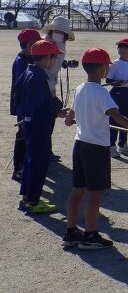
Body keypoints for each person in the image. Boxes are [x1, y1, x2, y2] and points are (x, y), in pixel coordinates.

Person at [62, 48, 128, 249]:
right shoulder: (101, 92)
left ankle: (70, 232)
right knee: (95, 193)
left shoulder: (79, 89)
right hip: (96, 149)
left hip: (80, 145)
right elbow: (117, 116)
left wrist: (73, 118)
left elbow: (69, 120)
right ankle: (91, 235)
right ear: (102, 68)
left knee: (78, 189)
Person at [14, 40, 68, 214]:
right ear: (46, 58)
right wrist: (54, 113)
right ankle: (34, 201)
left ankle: (27, 196)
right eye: (53, 57)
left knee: (31, 161)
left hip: (29, 124)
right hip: (38, 126)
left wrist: (54, 111)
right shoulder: (38, 77)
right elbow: (38, 106)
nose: (54, 60)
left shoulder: (28, 72)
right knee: (38, 163)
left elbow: (19, 97)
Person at [42, 15, 79, 162]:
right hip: (42, 88)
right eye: (59, 32)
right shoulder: (44, 44)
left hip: (51, 87)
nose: (61, 35)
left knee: (49, 121)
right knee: (46, 120)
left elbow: (57, 62)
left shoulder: (61, 44)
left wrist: (67, 64)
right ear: (52, 31)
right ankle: (44, 152)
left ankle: (47, 151)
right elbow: (43, 66)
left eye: (63, 33)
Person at [10, 28, 41, 181]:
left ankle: (25, 165)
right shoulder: (21, 61)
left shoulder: (29, 58)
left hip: (28, 105)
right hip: (24, 106)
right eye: (37, 43)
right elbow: (21, 87)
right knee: (22, 136)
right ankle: (19, 168)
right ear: (29, 44)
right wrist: (24, 108)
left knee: (28, 135)